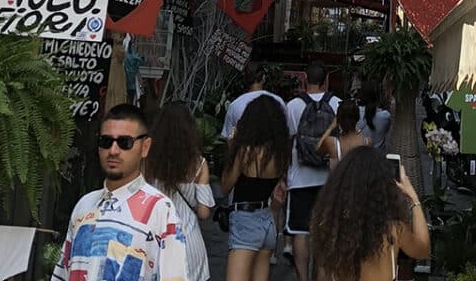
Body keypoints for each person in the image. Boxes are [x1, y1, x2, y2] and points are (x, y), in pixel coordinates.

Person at [52, 103, 188, 281]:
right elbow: (63, 273)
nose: (113, 151)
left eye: (125, 142)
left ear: (145, 147)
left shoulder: (161, 209)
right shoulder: (85, 205)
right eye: (106, 141)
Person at [310, 147, 430, 281]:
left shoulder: (331, 230)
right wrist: (413, 198)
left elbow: (321, 276)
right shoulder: (393, 231)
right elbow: (423, 249)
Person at [220, 95, 291, 281]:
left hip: (245, 220)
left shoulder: (245, 152)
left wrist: (231, 148)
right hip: (267, 221)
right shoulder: (280, 154)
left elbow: (225, 187)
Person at [144, 101, 215, 281]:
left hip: (153, 240)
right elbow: (204, 212)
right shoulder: (199, 164)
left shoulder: (147, 161)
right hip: (188, 243)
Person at [285, 63, 340, 281]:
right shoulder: (337, 104)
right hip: (329, 181)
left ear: (305, 79)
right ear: (326, 81)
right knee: (324, 234)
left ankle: (302, 278)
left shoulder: (293, 106)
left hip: (299, 179)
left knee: (300, 232)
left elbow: (290, 139)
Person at [223, 62, 287, 139]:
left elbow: (230, 137)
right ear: (263, 78)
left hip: (245, 149)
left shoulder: (234, 105)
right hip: (272, 149)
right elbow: (285, 132)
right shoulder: (277, 101)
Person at [316, 100, 370, 168]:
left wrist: (331, 127)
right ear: (358, 117)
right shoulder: (366, 142)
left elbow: (318, 150)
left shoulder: (331, 143)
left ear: (338, 119)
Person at [357, 80, 392, 151]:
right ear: (378, 96)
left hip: (358, 156)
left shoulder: (354, 112)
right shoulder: (385, 116)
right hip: (378, 157)